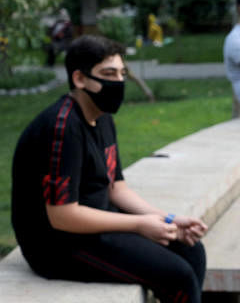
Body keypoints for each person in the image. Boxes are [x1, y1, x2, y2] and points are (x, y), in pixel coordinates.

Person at [12, 35, 208, 302]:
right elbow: (62, 216)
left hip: (96, 225)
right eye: (108, 73)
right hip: (58, 244)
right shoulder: (62, 127)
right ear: (79, 79)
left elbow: (115, 187)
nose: (117, 82)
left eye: (121, 73)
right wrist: (139, 225)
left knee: (191, 250)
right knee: (177, 276)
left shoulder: (101, 117)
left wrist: (168, 220)